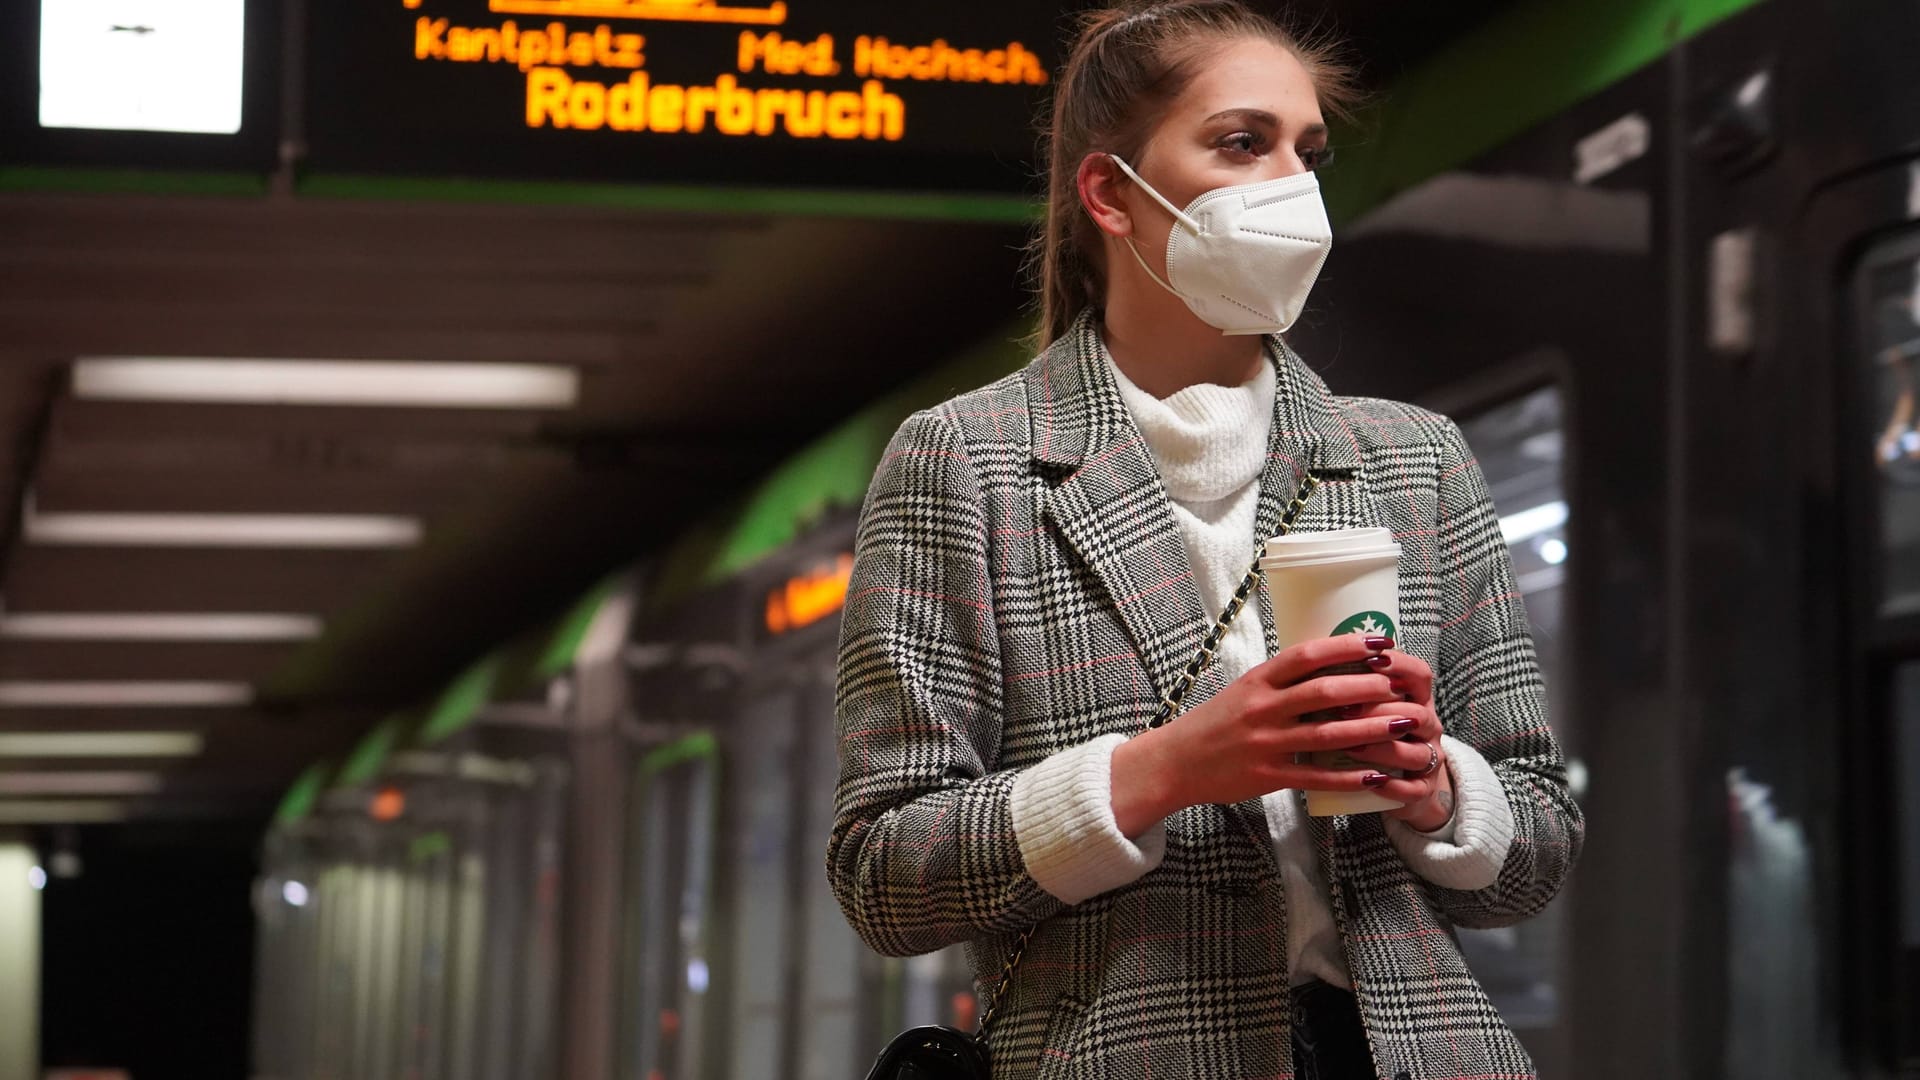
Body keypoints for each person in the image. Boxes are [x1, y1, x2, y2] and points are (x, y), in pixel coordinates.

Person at [828, 3, 1584, 1077]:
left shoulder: (1416, 461)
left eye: (1307, 151)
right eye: (1242, 142)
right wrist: (1166, 770)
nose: (1292, 186)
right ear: (1110, 194)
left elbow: (1538, 853)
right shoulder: (967, 462)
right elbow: (882, 875)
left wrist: (1439, 788)